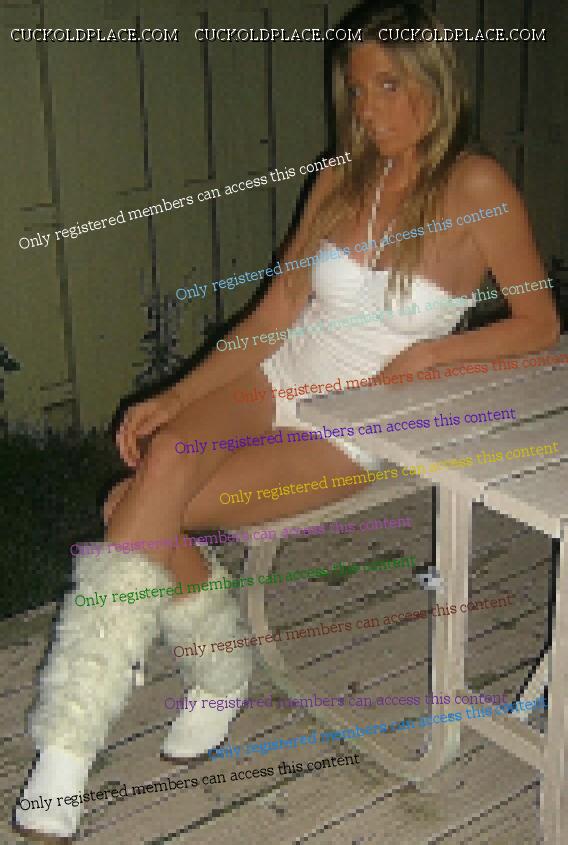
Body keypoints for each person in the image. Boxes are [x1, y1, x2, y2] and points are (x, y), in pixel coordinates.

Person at [15, 0, 559, 838]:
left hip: (352, 427)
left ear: (434, 80)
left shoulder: (476, 186)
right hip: (277, 379)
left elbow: (539, 324)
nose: (367, 109)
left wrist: (431, 356)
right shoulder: (341, 176)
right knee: (166, 456)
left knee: (134, 508)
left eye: (387, 85)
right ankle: (71, 745)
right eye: (357, 90)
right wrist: (177, 395)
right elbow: (275, 315)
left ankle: (210, 672)